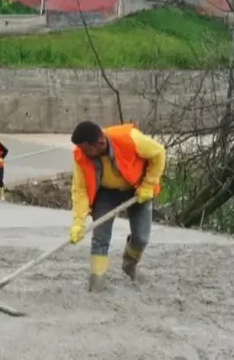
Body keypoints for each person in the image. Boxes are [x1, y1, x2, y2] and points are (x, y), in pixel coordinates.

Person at [68, 121, 165, 293]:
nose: (82, 153)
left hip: (137, 189)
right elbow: (80, 189)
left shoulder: (130, 139)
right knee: (100, 238)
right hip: (106, 193)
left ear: (100, 143)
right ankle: (97, 282)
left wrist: (148, 185)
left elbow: (158, 153)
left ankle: (129, 264)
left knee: (141, 238)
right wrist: (78, 222)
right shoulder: (81, 155)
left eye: (86, 149)